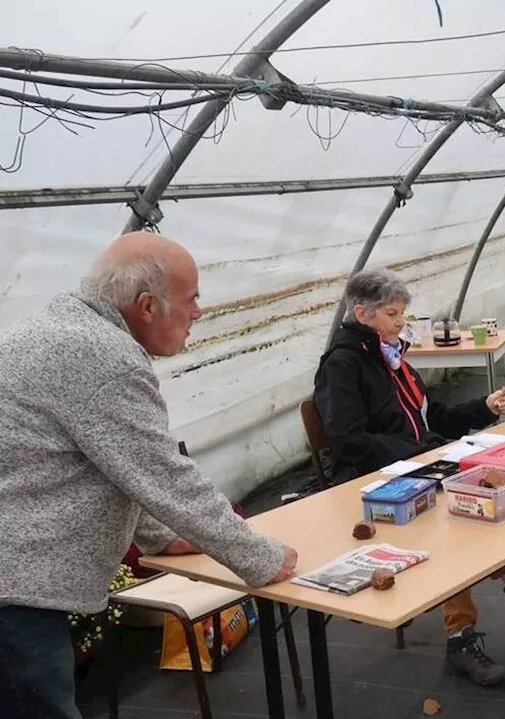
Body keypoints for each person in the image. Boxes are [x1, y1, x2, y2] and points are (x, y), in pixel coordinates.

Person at [0, 232, 298, 719]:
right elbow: (164, 475)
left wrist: (159, 536)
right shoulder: (101, 358)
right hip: (12, 596)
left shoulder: (66, 331)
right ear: (146, 306)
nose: (199, 312)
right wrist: (260, 557)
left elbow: (111, 462)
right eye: (192, 298)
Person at [313, 269, 505, 687]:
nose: (401, 322)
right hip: (372, 481)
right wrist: (423, 459)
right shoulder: (343, 365)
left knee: (482, 496)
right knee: (457, 517)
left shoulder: (390, 357)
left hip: (414, 463)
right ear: (361, 313)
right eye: (392, 313)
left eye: (402, 313)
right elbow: (348, 441)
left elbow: (434, 418)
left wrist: (482, 408)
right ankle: (464, 636)